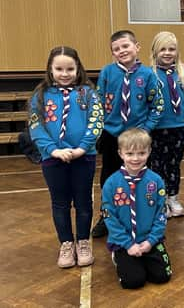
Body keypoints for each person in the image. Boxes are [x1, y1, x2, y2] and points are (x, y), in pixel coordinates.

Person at [29, 46, 103, 268]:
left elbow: (96, 121)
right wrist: (53, 150)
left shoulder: (88, 93)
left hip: (84, 157)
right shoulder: (40, 96)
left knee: (83, 202)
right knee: (60, 204)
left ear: (77, 68)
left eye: (70, 68)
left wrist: (82, 147)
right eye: (59, 68)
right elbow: (36, 126)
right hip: (53, 159)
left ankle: (82, 242)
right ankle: (66, 244)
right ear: (50, 70)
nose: (64, 73)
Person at [92, 30, 163, 238]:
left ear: (137, 47)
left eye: (125, 46)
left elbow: (157, 105)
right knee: (108, 178)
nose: (121, 51)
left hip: (137, 138)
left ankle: (143, 216)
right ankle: (106, 217)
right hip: (112, 134)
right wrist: (102, 127)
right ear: (112, 53)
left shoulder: (148, 74)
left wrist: (145, 130)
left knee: (140, 177)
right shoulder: (107, 72)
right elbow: (98, 101)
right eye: (116, 49)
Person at [102, 128, 172, 289]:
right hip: (123, 242)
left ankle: (146, 256)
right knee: (133, 282)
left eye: (141, 153)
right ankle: (119, 256)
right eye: (130, 154)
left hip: (149, 240)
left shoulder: (156, 181)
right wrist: (128, 244)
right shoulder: (111, 184)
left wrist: (151, 240)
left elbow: (161, 214)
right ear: (120, 153)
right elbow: (109, 217)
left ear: (149, 152)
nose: (136, 158)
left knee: (162, 277)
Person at [148, 31, 184, 218]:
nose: (167, 53)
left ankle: (173, 197)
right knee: (157, 165)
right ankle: (161, 199)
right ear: (154, 52)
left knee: (174, 164)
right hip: (157, 127)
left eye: (172, 49)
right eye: (163, 49)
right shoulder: (149, 74)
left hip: (180, 126)